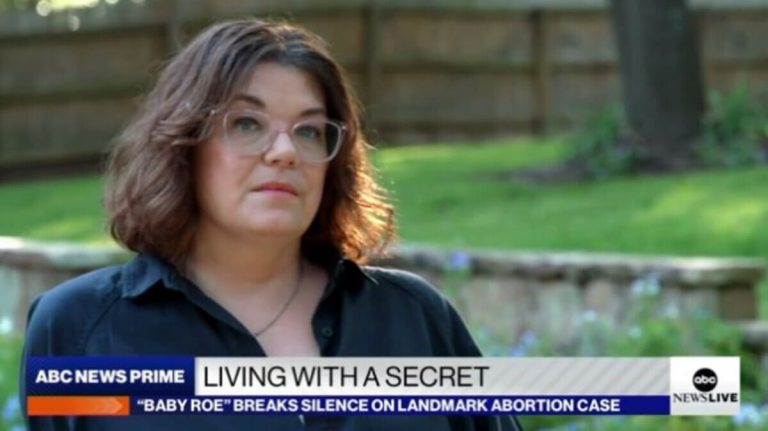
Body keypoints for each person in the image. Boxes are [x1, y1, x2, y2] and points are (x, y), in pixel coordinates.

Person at [20, 19, 523, 431]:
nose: (284, 152)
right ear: (184, 145)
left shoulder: (414, 318)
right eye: (247, 123)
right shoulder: (80, 331)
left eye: (309, 131)